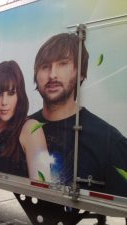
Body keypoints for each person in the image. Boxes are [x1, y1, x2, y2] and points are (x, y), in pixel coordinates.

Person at [30, 32, 127, 197]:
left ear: (81, 73)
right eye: (45, 66)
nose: (52, 74)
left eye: (62, 64)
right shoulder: (21, 128)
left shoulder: (110, 142)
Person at [0, 60, 51, 180]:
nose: (4, 102)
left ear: (20, 96)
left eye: (11, 93)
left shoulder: (30, 128)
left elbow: (42, 186)